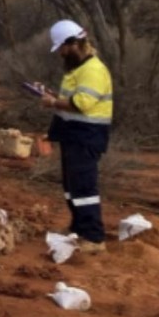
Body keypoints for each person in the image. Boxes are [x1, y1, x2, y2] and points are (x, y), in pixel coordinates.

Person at [38, 19, 113, 253]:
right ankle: (78, 228)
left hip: (87, 136)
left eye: (62, 47)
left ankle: (93, 238)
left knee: (84, 187)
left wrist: (52, 102)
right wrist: (51, 95)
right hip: (74, 135)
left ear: (73, 44)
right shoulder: (79, 69)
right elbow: (71, 100)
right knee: (72, 187)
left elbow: (82, 104)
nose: (60, 53)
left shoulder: (92, 70)